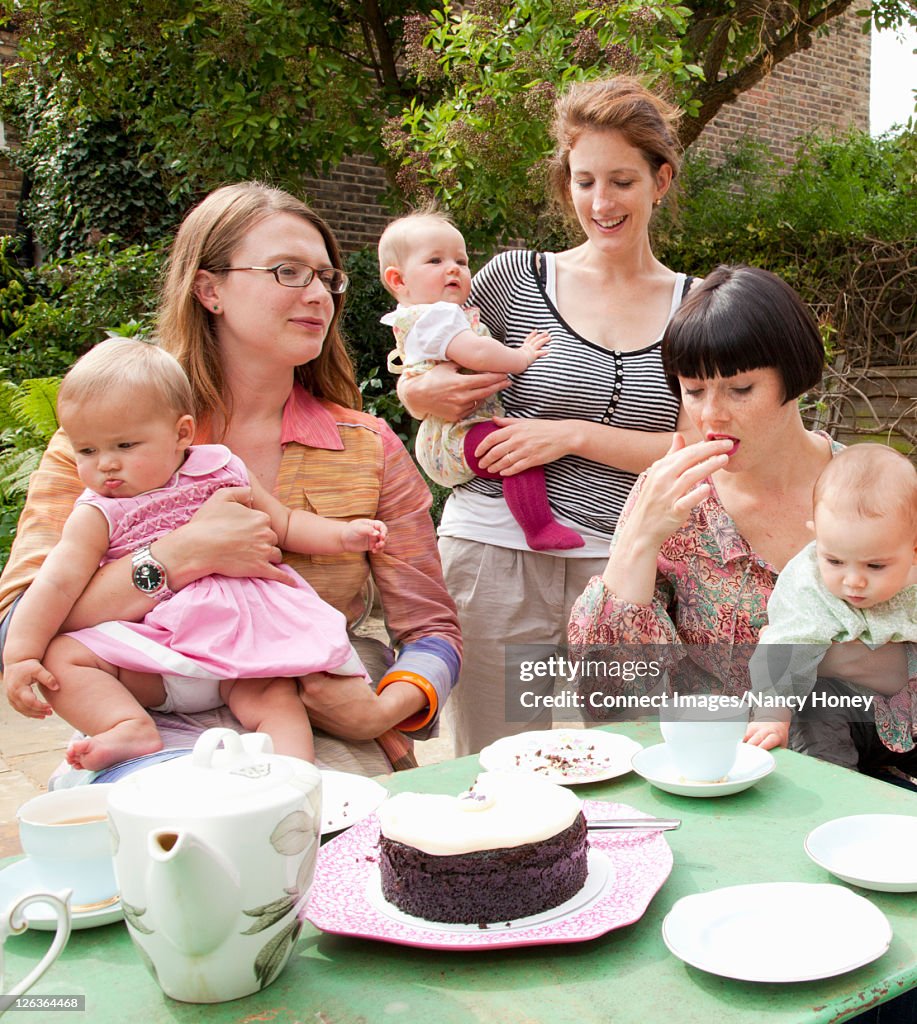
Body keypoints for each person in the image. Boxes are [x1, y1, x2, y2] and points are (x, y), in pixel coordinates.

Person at [0, 182, 461, 779]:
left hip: (313, 731)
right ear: (209, 289)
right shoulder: (105, 448)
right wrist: (176, 557)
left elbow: (432, 630)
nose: (318, 294)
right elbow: (19, 621)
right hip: (145, 733)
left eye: (326, 277)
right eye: (288, 271)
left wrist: (384, 710)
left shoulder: (366, 447)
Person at [397, 76, 696, 756]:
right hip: (494, 552)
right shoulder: (511, 278)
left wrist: (573, 435)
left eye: (621, 180)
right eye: (584, 180)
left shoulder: (696, 305)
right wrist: (416, 394)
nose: (600, 202)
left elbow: (702, 445)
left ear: (661, 180)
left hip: (624, 564)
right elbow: (429, 358)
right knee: (499, 766)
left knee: (634, 758)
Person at [568, 263, 917, 784]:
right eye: (694, 390)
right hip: (719, 781)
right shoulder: (673, 502)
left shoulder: (878, 493)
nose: (712, 416)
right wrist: (637, 541)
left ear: (794, 376)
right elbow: (607, 700)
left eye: (739, 389)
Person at [3, 338, 389, 769]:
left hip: (242, 648)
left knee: (276, 697)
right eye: (87, 451)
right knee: (63, 659)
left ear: (181, 433)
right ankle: (125, 725)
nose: (106, 464)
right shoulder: (97, 514)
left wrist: (343, 536)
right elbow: (56, 583)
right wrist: (21, 655)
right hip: (154, 654)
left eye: (125, 446)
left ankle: (294, 776)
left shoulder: (221, 470)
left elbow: (284, 524)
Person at [379, 209, 583, 551]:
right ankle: (539, 527)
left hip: (453, 432)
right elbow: (476, 352)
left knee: (511, 449)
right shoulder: (436, 316)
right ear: (398, 281)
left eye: (461, 260)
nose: (453, 268)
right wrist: (522, 357)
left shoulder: (436, 314)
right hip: (455, 434)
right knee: (515, 452)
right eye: (434, 260)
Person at [747, 443, 916, 763]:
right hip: (841, 708)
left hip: (908, 709)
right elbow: (786, 645)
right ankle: (833, 790)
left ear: (914, 550)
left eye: (875, 566)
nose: (853, 580)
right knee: (812, 710)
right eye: (835, 560)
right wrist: (772, 713)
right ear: (816, 538)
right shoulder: (809, 583)